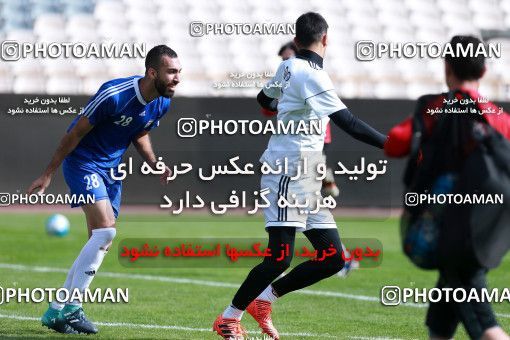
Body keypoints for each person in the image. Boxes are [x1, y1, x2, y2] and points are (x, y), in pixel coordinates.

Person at [213, 12, 387, 340]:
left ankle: (263, 301)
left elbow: (264, 99)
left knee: (333, 257)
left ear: (295, 41)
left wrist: (277, 108)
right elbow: (348, 123)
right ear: (326, 39)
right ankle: (228, 318)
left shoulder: (288, 65)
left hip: (304, 173)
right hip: (287, 170)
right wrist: (392, 144)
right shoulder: (312, 74)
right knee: (280, 258)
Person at [28, 45, 181, 334]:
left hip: (111, 172)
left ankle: (56, 310)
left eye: (178, 72)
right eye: (171, 72)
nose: (177, 78)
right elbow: (74, 133)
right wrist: (47, 174)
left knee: (99, 241)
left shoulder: (162, 101)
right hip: (83, 164)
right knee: (106, 231)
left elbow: (140, 130)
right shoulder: (114, 94)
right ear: (152, 72)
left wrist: (153, 162)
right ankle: (73, 309)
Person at [384, 35, 510, 340]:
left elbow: (394, 144)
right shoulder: (500, 119)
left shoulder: (435, 108)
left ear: (447, 68)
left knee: (485, 325)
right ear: (484, 71)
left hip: (448, 227)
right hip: (486, 228)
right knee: (439, 322)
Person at [263, 41, 340, 198]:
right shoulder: (285, 77)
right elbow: (267, 105)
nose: (285, 62)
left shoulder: (308, 75)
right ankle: (323, 182)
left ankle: (323, 181)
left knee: (309, 165)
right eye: (283, 60)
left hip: (316, 131)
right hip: (294, 135)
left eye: (288, 58)